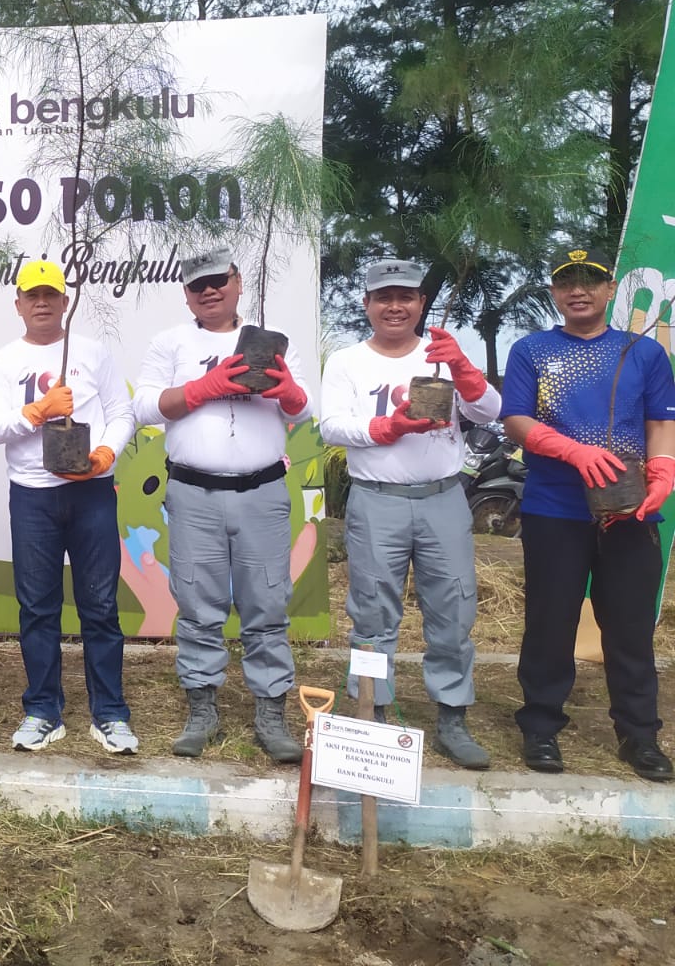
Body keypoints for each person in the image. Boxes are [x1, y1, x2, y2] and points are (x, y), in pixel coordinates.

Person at [500, 247, 675, 782]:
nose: (578, 290)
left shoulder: (643, 353)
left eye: (590, 280)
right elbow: (516, 421)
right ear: (554, 291)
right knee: (550, 620)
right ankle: (541, 724)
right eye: (566, 281)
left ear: (610, 288)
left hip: (629, 508)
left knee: (629, 624)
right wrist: (571, 450)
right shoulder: (532, 350)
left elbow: (660, 423)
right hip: (555, 507)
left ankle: (639, 733)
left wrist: (664, 471)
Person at [319, 260, 501, 769]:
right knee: (371, 613)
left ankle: (451, 715)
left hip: (443, 498)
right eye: (383, 297)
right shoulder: (349, 362)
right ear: (367, 305)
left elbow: (491, 411)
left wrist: (464, 369)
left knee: (454, 609)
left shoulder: (442, 353)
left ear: (421, 303)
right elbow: (331, 426)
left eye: (405, 296)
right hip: (377, 499)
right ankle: (371, 708)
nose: (394, 306)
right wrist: (387, 429)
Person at [132, 246, 310, 764]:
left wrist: (290, 393)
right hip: (193, 492)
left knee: (267, 604)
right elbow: (145, 405)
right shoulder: (170, 343)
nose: (208, 291)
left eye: (217, 281)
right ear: (185, 294)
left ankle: (270, 711)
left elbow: (302, 410)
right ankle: (202, 708)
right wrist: (201, 389)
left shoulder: (272, 342)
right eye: (196, 285)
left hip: (261, 491)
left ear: (236, 281)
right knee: (196, 603)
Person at [0, 260, 138, 754]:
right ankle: (43, 709)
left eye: (51, 294)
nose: (42, 302)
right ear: (18, 304)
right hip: (32, 496)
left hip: (91, 493)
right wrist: (34, 413)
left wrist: (107, 453)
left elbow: (120, 412)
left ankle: (109, 713)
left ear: (65, 301)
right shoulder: (4, 361)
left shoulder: (93, 352)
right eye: (33, 295)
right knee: (38, 608)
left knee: (101, 606)